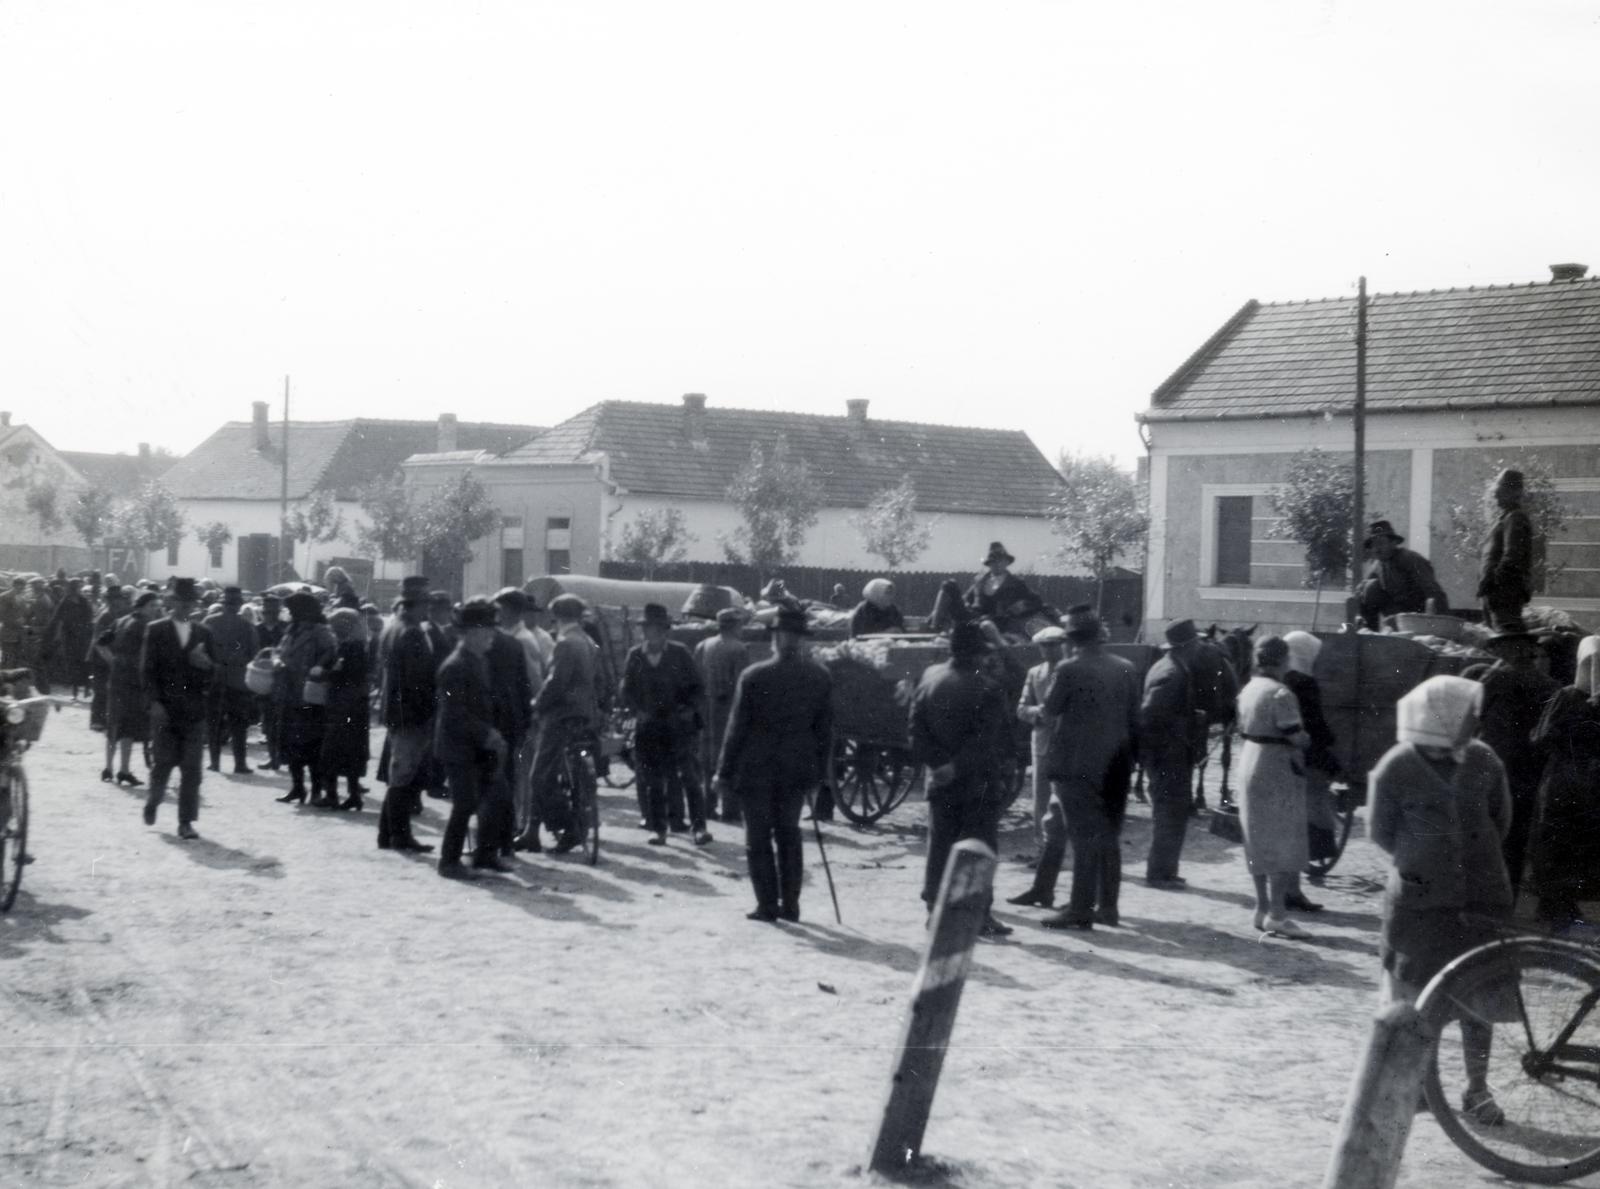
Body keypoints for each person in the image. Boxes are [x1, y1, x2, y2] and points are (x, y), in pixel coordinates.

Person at [1369, 675, 1512, 1125]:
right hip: (1420, 904)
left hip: (1479, 899)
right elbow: (1380, 831)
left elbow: (1502, 819)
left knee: (1480, 997)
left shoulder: (1486, 760)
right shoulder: (1395, 766)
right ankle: (1419, 1085)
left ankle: (1477, 1088)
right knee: (1418, 998)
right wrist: (1420, 863)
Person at [1008, 607, 1139, 930]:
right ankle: (1108, 907)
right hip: (1117, 765)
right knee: (1108, 836)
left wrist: (1031, 712)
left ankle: (1080, 909)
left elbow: (1050, 712)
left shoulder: (1068, 669)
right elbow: (1135, 718)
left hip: (1075, 765)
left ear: (1071, 641)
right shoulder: (1126, 667)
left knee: (1082, 838)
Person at [713, 606, 833, 923]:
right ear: (802, 641)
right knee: (789, 835)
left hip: (757, 770)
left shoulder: (754, 676)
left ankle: (767, 905)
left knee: (758, 839)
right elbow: (825, 733)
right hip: (797, 770)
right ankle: (791, 905)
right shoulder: (819, 677)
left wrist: (723, 772)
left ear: (776, 638)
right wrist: (820, 775)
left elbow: (736, 729)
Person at [909, 620, 1013, 937]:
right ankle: (977, 916)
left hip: (939, 781)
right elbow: (985, 740)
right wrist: (957, 765)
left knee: (940, 843)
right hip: (977, 781)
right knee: (978, 846)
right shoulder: (989, 687)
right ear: (978, 654)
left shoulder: (930, 677)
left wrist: (939, 764)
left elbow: (916, 728)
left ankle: (934, 911)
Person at [1461, 620, 1560, 901]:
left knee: (1485, 830)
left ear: (1508, 653)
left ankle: (1481, 896)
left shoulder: (1494, 681)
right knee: (1516, 835)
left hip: (1492, 765)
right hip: (1530, 771)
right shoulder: (1551, 685)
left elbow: (1471, 715)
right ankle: (1508, 896)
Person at [1233, 636, 1313, 938]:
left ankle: (1261, 907)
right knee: (1282, 837)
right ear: (1284, 660)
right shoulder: (1281, 693)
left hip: (1250, 759)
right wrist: (1307, 740)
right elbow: (1295, 735)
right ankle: (1278, 914)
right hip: (1276, 765)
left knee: (1257, 837)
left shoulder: (1249, 689)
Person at [622, 603, 712, 846]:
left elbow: (698, 689)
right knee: (653, 781)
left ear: (665, 630)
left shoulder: (680, 653)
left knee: (689, 778)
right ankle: (659, 829)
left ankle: (699, 828)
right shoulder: (636, 655)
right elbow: (626, 690)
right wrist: (637, 711)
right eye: (647, 628)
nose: (651, 633)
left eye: (656, 629)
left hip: (679, 727)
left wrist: (688, 711)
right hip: (649, 727)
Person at [519, 594, 602, 853]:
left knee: (539, 776)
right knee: (568, 774)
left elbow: (556, 683)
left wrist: (536, 704)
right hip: (584, 716)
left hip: (560, 716)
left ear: (556, 615)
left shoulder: (565, 642)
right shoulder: (588, 641)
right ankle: (531, 833)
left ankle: (569, 826)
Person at [433, 599, 509, 878]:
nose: (492, 635)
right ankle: (448, 861)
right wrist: (486, 733)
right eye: (487, 630)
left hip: (479, 745)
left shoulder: (479, 661)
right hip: (458, 748)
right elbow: (454, 715)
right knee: (465, 803)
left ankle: (485, 855)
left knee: (497, 798)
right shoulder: (454, 666)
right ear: (472, 632)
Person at [139, 577, 217, 839]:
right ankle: (154, 800)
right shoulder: (157, 629)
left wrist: (206, 666)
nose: (185, 607)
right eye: (180, 602)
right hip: (165, 709)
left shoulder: (204, 633)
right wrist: (154, 703)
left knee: (192, 769)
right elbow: (147, 671)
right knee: (162, 764)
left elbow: (215, 673)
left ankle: (186, 821)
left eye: (190, 603)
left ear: (195, 605)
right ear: (171, 602)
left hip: (194, 711)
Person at [1527, 662, 1600, 931]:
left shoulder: (1569, 696)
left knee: (1568, 841)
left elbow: (1542, 737)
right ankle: (1553, 905)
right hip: (1574, 779)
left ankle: (1561, 904)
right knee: (1559, 839)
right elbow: (1544, 737)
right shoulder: (1568, 696)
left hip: (1577, 779)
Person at [1139, 618, 1211, 888]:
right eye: (1197, 642)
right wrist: (1188, 724)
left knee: (1175, 811)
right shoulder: (1171, 672)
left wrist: (1191, 716)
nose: (1200, 647)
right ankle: (1159, 873)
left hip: (1172, 753)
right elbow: (1150, 715)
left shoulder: (1173, 666)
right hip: (1167, 755)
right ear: (1188, 645)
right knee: (1169, 812)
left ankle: (1166, 870)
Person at [376, 577, 439, 854]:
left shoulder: (392, 628)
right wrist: (430, 710)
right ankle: (398, 835)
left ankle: (388, 832)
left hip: (396, 709)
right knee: (403, 773)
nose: (428, 609)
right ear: (414, 605)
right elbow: (418, 680)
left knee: (399, 771)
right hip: (411, 712)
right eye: (425, 603)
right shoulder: (411, 633)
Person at [1280, 631, 1339, 910]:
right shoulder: (1304, 683)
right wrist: (1329, 744)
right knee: (1304, 817)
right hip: (1304, 757)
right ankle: (1291, 892)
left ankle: (1288, 890)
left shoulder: (1280, 679)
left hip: (1282, 757)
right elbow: (1315, 724)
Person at [480, 589, 534, 860]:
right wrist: (524, 722)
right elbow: (524, 688)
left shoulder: (481, 646)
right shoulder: (514, 645)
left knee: (484, 782)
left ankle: (486, 843)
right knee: (507, 781)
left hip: (487, 721)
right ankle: (505, 842)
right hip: (511, 721)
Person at [274, 591, 337, 806]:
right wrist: (278, 662)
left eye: (293, 610)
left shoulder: (321, 632)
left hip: (310, 696)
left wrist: (320, 667)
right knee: (290, 745)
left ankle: (317, 790)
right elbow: (282, 652)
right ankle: (297, 787)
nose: (290, 613)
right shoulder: (290, 630)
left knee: (311, 746)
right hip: (290, 694)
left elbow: (331, 655)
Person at [695, 607, 751, 823]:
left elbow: (695, 676)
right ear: (735, 626)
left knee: (707, 756)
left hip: (705, 708)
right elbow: (742, 684)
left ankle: (708, 805)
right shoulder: (738, 649)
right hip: (727, 710)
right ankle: (730, 809)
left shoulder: (704, 645)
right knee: (730, 754)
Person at [101, 589, 162, 786]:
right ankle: (124, 770)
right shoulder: (146, 626)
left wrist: (113, 662)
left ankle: (109, 768)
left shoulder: (121, 620)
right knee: (128, 725)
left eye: (156, 606)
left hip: (117, 679)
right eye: (152, 606)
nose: (155, 609)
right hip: (134, 681)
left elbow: (100, 643)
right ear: (142, 606)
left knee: (115, 723)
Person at [1015, 625, 1067, 843]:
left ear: (1063, 645)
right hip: (1043, 742)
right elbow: (1021, 709)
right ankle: (1042, 847)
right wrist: (1039, 713)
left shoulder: (1072, 671)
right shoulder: (1035, 673)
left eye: (1052, 645)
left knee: (1067, 797)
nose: (1047, 650)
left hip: (1068, 742)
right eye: (1043, 646)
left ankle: (1066, 846)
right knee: (1041, 798)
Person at [319, 607, 372, 810]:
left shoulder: (349, 648)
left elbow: (342, 674)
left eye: (336, 626)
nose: (333, 629)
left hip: (343, 706)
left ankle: (332, 795)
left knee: (331, 751)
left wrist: (324, 674)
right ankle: (353, 795)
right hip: (355, 707)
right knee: (352, 753)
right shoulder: (358, 646)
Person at [204, 587, 260, 775]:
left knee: (214, 722)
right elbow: (254, 653)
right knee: (239, 724)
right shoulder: (246, 625)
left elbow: (201, 649)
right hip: (238, 680)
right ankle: (240, 763)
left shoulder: (210, 622)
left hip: (215, 677)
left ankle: (214, 762)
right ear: (239, 605)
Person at [1356, 520, 1450, 630]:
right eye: (1373, 545)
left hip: (1419, 617)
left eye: (1380, 543)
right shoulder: (1378, 565)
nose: (1376, 549)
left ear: (1393, 543)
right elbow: (1365, 593)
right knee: (1368, 587)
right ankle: (1369, 635)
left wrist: (1439, 626)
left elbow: (1435, 594)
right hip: (1396, 617)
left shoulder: (1410, 559)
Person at [1478, 469, 1535, 630]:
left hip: (1504, 594)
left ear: (1513, 492)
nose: (1495, 495)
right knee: (1498, 640)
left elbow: (1512, 558)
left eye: (1500, 491)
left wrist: (1494, 586)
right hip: (1499, 595)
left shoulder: (1515, 518)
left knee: (1507, 640)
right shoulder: (1507, 518)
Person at [964, 542, 1040, 638]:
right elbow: (966, 600)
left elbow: (1036, 600)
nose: (997, 564)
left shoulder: (1016, 583)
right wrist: (970, 607)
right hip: (980, 622)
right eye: (993, 561)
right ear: (989, 564)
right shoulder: (980, 582)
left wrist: (1022, 605)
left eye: (1000, 560)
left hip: (1007, 624)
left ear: (1007, 562)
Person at [86, 583, 129, 732]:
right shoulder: (105, 616)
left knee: (113, 689)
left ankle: (110, 719)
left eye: (119, 599)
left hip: (114, 656)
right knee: (100, 689)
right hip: (100, 658)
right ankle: (97, 720)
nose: (117, 602)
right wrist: (111, 660)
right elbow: (99, 644)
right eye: (114, 599)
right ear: (108, 600)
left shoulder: (122, 615)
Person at [43, 580, 92, 698]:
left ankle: (86, 689)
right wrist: (56, 634)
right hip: (69, 636)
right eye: (75, 587)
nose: (77, 590)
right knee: (72, 663)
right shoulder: (65, 602)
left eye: (78, 587)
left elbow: (89, 617)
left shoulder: (84, 601)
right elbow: (57, 619)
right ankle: (75, 691)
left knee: (84, 662)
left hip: (82, 636)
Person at [0, 575, 26, 668]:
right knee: (7, 657)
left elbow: (23, 613)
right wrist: (15, 622)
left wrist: (23, 620)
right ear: (14, 585)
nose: (22, 588)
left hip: (18, 633)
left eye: (24, 586)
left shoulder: (22, 598)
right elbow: (1, 615)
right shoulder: (5, 597)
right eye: (20, 585)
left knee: (16, 657)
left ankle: (13, 679)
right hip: (8, 631)